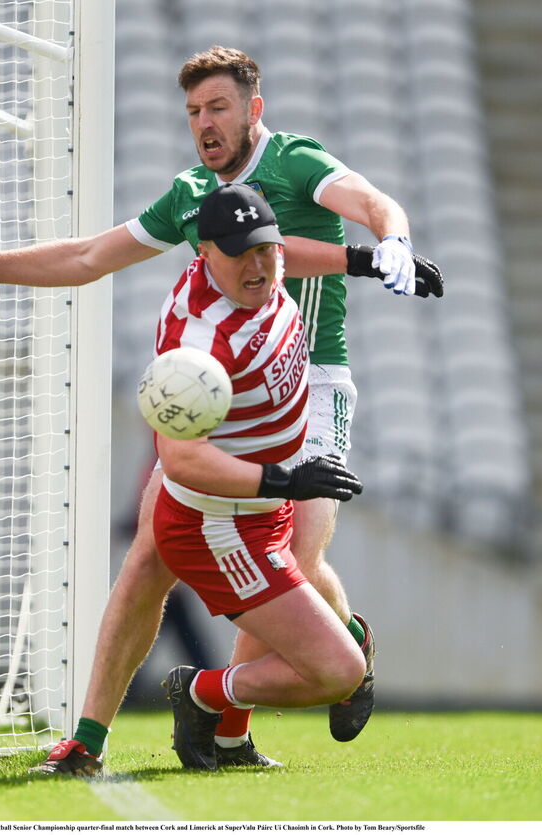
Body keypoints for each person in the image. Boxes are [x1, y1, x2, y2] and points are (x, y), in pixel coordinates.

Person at [0, 46, 442, 776]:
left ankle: (233, 717)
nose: (204, 123)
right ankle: (88, 739)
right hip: (220, 396)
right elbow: (89, 257)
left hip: (309, 385)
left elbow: (369, 208)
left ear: (254, 109)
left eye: (218, 107)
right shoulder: (193, 196)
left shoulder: (295, 161)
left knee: (291, 555)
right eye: (193, 111)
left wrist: (391, 243)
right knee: (147, 560)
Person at [150, 183, 365, 770]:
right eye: (240, 252)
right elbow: (182, 459)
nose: (260, 264)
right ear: (203, 254)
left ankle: (228, 740)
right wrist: (286, 479)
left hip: (261, 512)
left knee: (304, 619)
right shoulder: (199, 343)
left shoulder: (268, 266)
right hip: (218, 527)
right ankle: (200, 693)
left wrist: (369, 259)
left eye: (265, 249)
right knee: (341, 671)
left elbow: (299, 249)